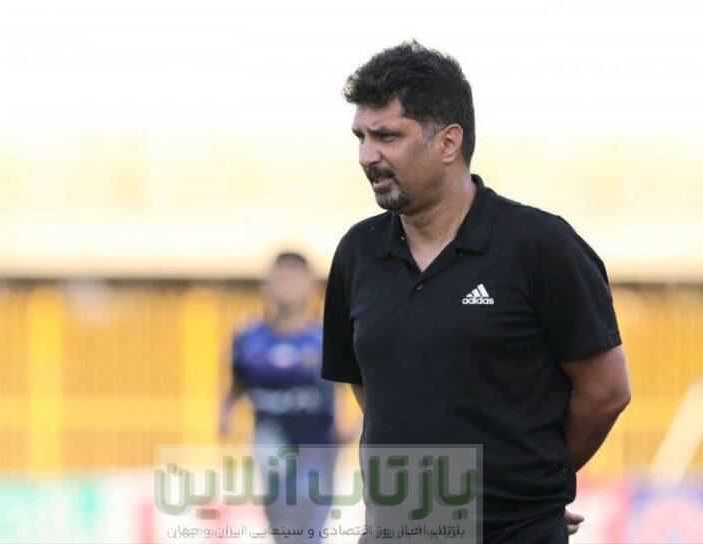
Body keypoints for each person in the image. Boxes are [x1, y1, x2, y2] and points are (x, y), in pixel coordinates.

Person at [321, 41, 631, 543]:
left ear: (448, 143)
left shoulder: (540, 245)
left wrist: (533, 491)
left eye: (386, 136)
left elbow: (607, 391)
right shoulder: (358, 252)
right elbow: (370, 388)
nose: (366, 156)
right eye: (361, 137)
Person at [219, 251, 354, 541]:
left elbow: (349, 387)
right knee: (284, 531)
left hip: (317, 451)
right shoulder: (248, 337)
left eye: (294, 278)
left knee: (307, 528)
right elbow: (236, 382)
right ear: (266, 284)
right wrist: (226, 414)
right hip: (270, 448)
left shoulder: (326, 339)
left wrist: (349, 425)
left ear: (311, 285)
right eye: (279, 278)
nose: (286, 286)